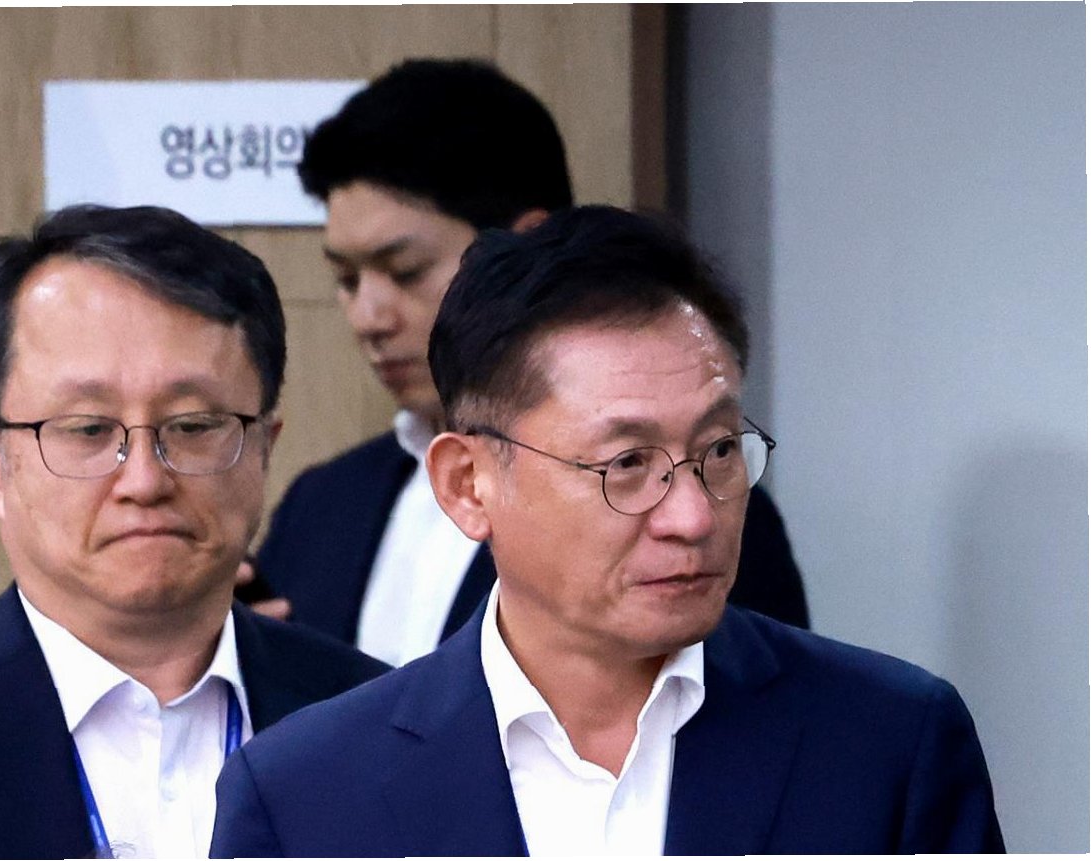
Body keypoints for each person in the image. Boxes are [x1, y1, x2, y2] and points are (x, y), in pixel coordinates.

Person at [211, 206, 1004, 856]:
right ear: (467, 484)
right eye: (627, 464)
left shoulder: (889, 744)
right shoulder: (304, 794)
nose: (692, 516)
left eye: (718, 451)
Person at [249, 57, 808, 667]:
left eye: (405, 271)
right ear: (457, 480)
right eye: (347, 279)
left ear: (522, 246)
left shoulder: (700, 523)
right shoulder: (321, 502)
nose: (369, 316)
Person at [0, 204, 387, 860]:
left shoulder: (383, 722)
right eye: (89, 429)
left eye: (194, 425)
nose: (145, 480)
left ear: (265, 447)